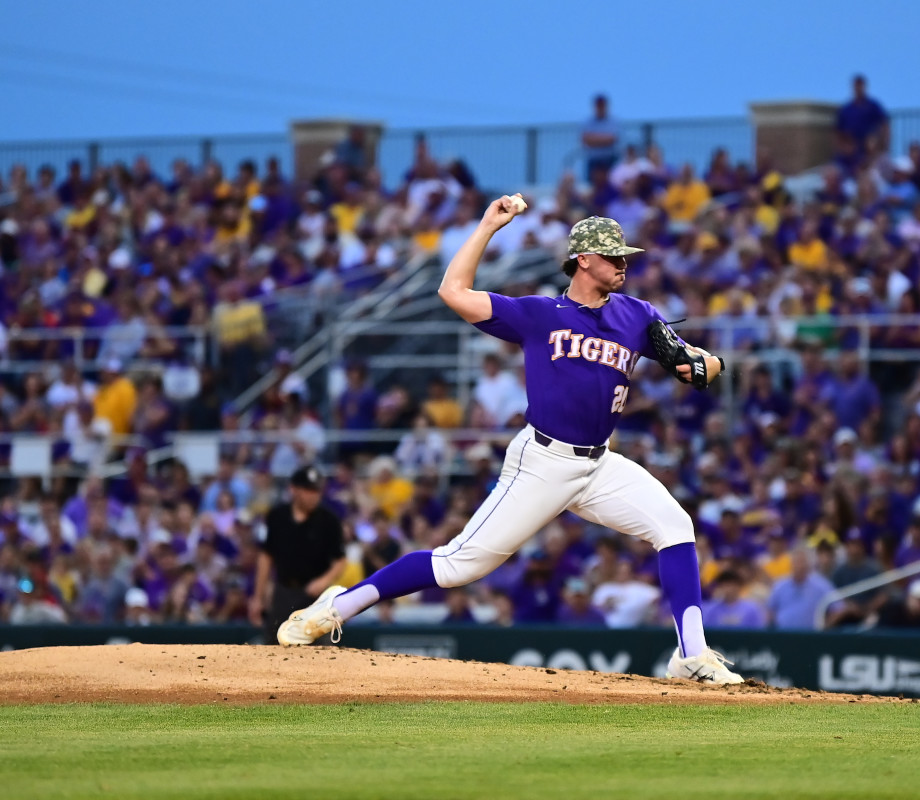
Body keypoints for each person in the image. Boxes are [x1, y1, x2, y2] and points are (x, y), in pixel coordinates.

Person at [279, 198, 743, 684]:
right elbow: (452, 291)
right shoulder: (540, 314)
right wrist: (487, 226)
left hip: (600, 464)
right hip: (543, 461)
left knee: (674, 525)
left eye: (625, 255)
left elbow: (700, 361)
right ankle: (339, 605)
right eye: (613, 255)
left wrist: (702, 363)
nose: (624, 263)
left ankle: (692, 655)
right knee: (459, 565)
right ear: (583, 260)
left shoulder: (637, 314)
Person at [252, 466, 346, 643]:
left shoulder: (329, 521)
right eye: (308, 490)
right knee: (275, 647)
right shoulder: (277, 516)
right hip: (284, 592)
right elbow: (266, 557)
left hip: (317, 598)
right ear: (293, 489)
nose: (313, 495)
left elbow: (340, 561)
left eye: (316, 490)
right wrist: (258, 597)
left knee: (321, 653)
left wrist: (324, 581)